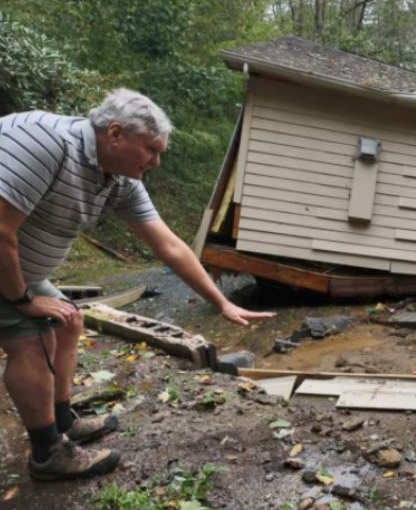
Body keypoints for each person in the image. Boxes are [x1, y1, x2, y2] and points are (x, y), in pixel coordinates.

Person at [0, 89, 274, 481]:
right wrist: (22, 300)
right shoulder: (45, 143)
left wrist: (222, 303)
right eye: (151, 150)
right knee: (31, 338)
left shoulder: (118, 180)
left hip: (20, 270)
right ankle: (48, 454)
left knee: (68, 321)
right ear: (115, 134)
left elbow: (169, 246)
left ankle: (62, 421)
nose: (156, 161)